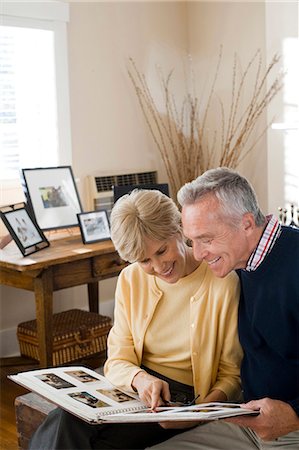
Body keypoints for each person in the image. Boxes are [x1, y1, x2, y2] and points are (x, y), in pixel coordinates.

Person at [29, 189, 242, 450]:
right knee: (64, 418)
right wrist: (140, 379)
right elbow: (118, 358)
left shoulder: (222, 282)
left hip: (180, 402)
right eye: (144, 260)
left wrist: (194, 416)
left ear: (179, 229)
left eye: (162, 251)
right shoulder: (131, 279)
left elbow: (232, 375)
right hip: (135, 388)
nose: (159, 266)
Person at [148, 167, 299, 450]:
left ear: (245, 224)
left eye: (206, 239)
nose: (197, 253)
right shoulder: (239, 265)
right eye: (192, 241)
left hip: (291, 428)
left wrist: (294, 415)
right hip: (245, 419)